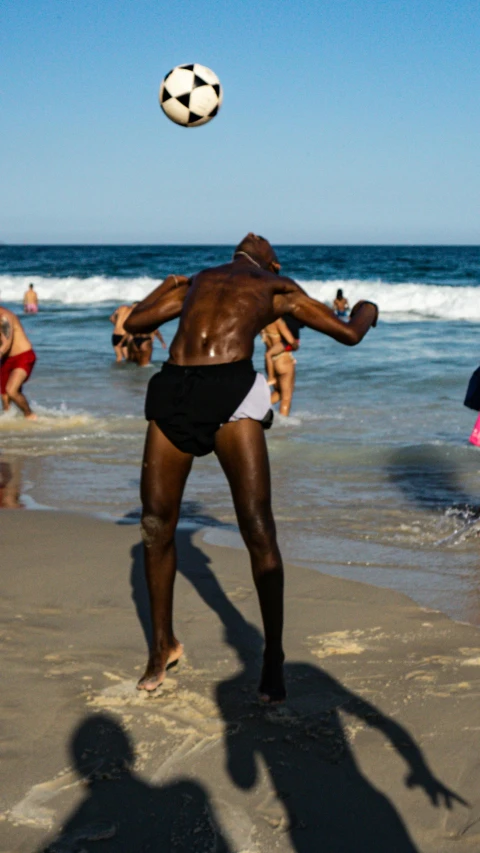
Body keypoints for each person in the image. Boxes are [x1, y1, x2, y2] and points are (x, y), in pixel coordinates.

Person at [124, 234, 378, 702]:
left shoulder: (276, 287)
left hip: (231, 389)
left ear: (270, 260)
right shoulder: (199, 280)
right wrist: (171, 281)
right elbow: (137, 322)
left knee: (258, 529)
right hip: (175, 386)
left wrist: (368, 308)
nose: (254, 235)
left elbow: (348, 334)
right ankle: (162, 647)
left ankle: (273, 655)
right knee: (155, 523)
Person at [0, 305, 37, 419]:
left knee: (11, 390)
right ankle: (11, 426)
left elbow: (6, 345)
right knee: (5, 398)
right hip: (6, 359)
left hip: (23, 356)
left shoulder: (4, 317)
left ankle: (30, 415)